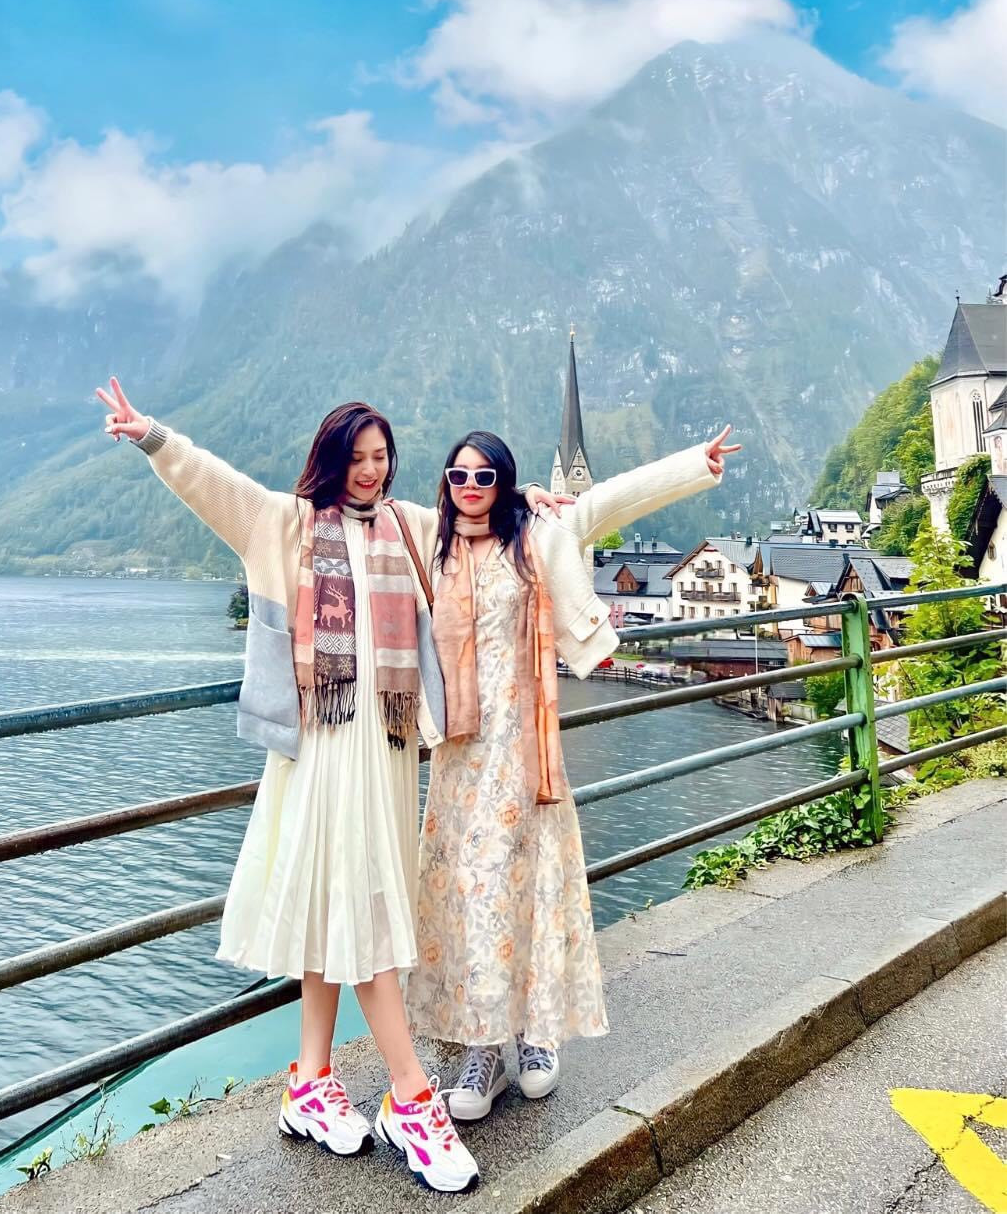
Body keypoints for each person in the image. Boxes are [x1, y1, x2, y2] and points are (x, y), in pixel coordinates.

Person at [95, 379, 561, 1191]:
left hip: (386, 754)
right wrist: (153, 437)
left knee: (336, 911)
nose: (370, 471)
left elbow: (472, 511)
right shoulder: (284, 524)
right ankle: (411, 1100)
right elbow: (214, 484)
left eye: (381, 457)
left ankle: (310, 1082)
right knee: (366, 915)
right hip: (320, 755)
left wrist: (523, 497)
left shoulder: (407, 527)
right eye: (357, 458)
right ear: (330, 460)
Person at [405, 425, 739, 1121]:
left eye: (484, 477)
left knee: (531, 891)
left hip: (526, 755)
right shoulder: (429, 542)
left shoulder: (535, 536)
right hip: (460, 760)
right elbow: (363, 518)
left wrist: (693, 466)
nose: (470, 488)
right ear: (445, 482)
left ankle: (535, 1034)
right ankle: (482, 1046)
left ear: (503, 481)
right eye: (459, 476)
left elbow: (603, 505)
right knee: (471, 898)